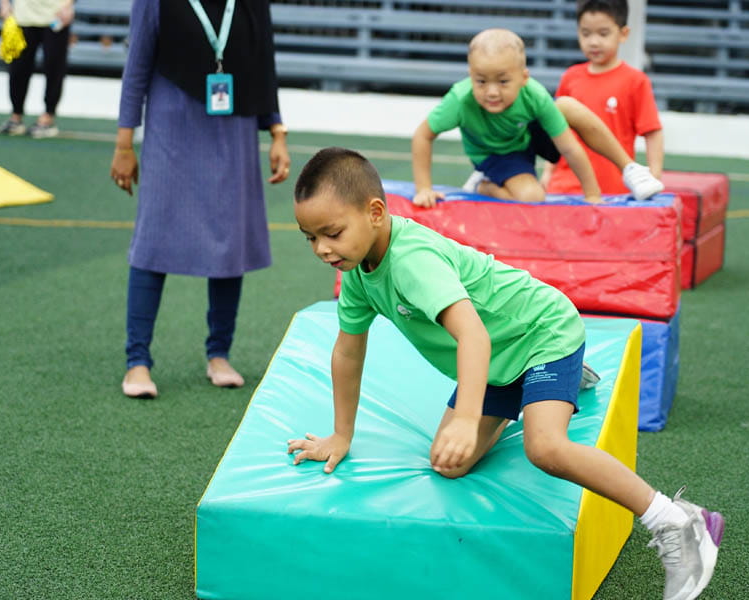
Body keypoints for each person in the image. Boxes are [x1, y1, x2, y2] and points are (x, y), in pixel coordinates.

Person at [288, 147, 725, 600]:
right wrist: (341, 436)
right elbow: (347, 352)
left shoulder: (412, 260)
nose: (322, 249)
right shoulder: (359, 271)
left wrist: (465, 417)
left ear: (375, 213)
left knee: (545, 446)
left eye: (332, 233)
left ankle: (677, 521)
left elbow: (473, 336)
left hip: (541, 333)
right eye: (310, 238)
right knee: (447, 463)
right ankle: (552, 386)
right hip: (499, 362)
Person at [109, 0, 290, 399]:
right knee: (153, 241)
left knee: (229, 242)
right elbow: (136, 65)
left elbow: (263, 63)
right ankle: (137, 361)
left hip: (236, 130)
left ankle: (219, 354)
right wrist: (125, 141)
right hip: (172, 131)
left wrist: (277, 131)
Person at [412, 28, 662, 207]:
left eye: (503, 81)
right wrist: (424, 188)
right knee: (532, 196)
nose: (491, 92)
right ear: (470, 74)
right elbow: (424, 135)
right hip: (496, 154)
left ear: (524, 77)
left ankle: (630, 169)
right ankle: (484, 184)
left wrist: (592, 195)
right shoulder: (460, 98)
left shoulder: (534, 95)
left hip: (526, 135)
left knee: (567, 105)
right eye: (480, 81)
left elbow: (569, 147)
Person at [545, 0, 665, 199]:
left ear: (623, 34)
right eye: (586, 33)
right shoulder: (570, 77)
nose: (593, 42)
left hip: (612, 191)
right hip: (564, 188)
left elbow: (652, 132)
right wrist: (549, 172)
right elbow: (555, 128)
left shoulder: (636, 81)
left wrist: (654, 175)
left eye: (603, 34)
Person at [0, 0, 74, 138]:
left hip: (55, 15)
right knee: (18, 68)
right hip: (22, 16)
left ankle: (48, 116)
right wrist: (4, 3)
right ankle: (16, 115)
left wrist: (68, 5)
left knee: (54, 67)